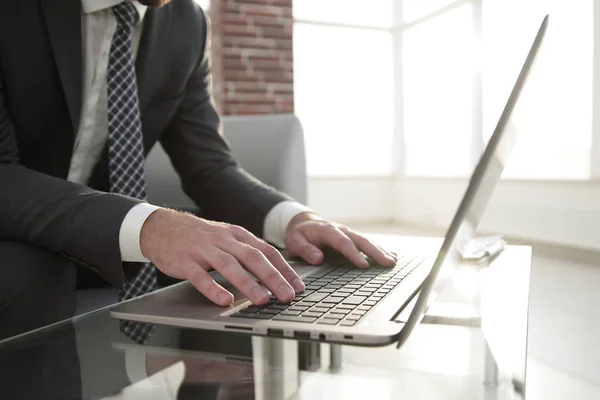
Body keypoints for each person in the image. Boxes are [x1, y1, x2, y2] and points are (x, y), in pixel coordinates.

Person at [0, 0, 396, 340]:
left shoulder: (186, 22)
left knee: (237, 259)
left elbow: (208, 166)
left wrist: (294, 220)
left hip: (96, 242)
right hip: (16, 234)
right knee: (33, 274)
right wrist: (152, 227)